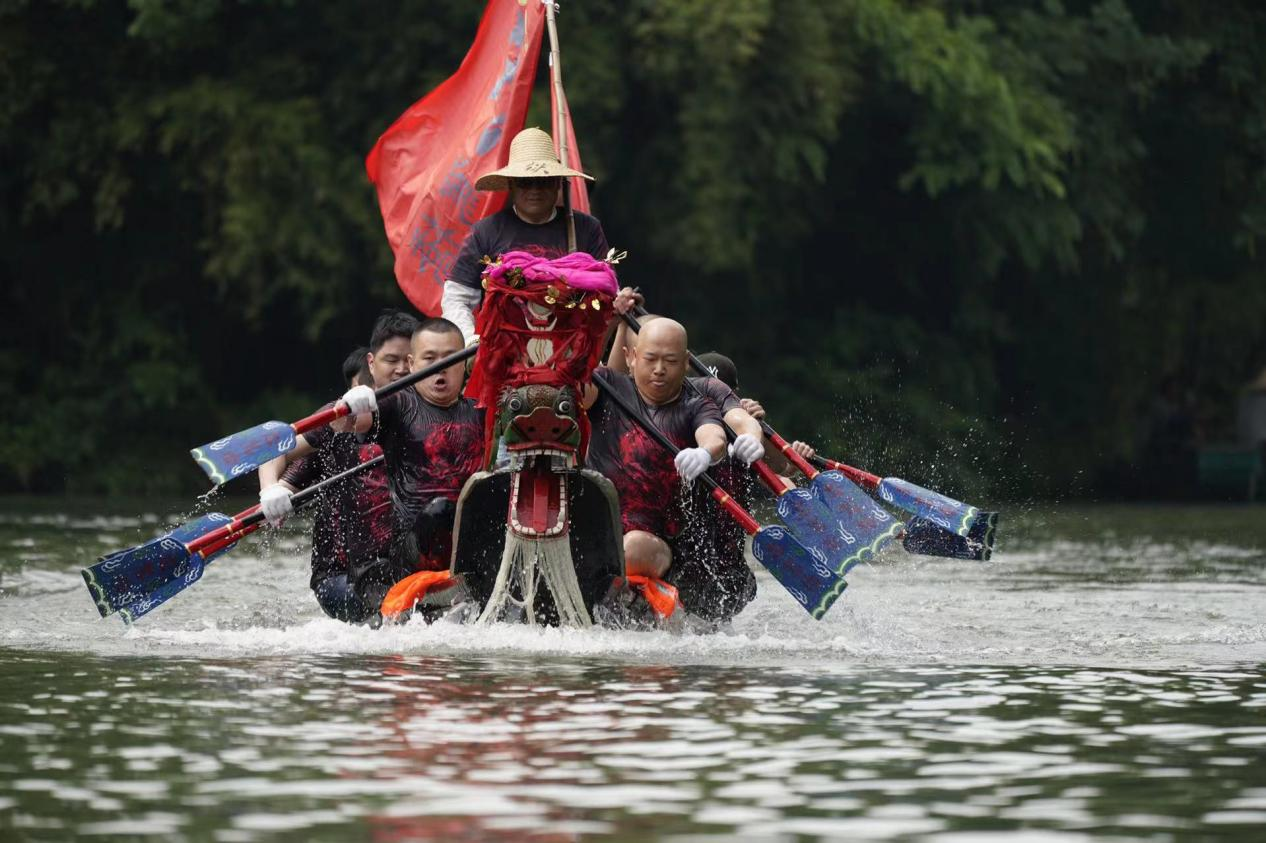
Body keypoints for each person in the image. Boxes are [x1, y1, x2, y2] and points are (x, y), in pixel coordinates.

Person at [583, 318, 763, 582]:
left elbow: (716, 436)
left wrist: (708, 452)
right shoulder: (605, 384)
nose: (659, 369)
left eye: (670, 361)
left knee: (630, 549)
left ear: (686, 362)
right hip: (598, 522)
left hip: (655, 541)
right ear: (631, 357)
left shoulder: (698, 402)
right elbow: (568, 381)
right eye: (650, 359)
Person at [331, 317, 486, 607]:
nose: (440, 367)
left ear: (466, 364)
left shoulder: (481, 411)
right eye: (430, 358)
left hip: (469, 546)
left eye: (450, 359)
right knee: (441, 511)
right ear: (412, 364)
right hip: (412, 551)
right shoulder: (397, 405)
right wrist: (355, 401)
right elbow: (348, 422)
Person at [441, 127, 610, 345]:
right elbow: (456, 297)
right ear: (511, 184)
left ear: (558, 182)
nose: (535, 190)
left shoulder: (586, 229)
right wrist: (471, 340)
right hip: (501, 351)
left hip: (570, 349)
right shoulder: (486, 231)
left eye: (543, 181)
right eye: (525, 181)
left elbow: (606, 293)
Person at [260, 348, 391, 623]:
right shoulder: (333, 432)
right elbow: (278, 458)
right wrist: (272, 491)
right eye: (358, 394)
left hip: (396, 568)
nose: (361, 408)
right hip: (340, 575)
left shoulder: (408, 420)